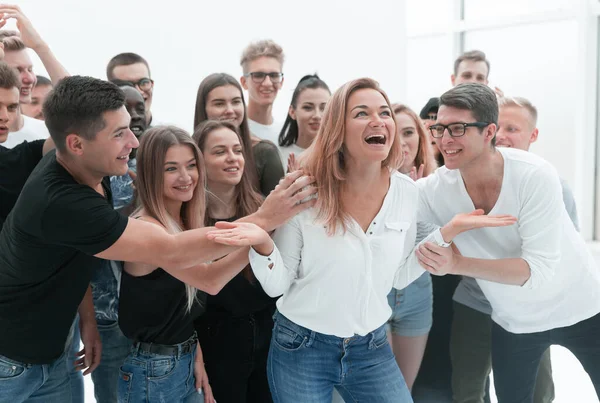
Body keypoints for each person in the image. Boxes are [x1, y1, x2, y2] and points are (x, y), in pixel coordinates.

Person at [0, 75, 316, 402]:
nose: (133, 142)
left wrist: (88, 321)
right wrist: (267, 218)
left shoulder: (81, 163)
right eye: (119, 134)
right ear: (77, 145)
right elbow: (177, 252)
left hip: (59, 351)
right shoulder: (65, 202)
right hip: (10, 360)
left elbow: (75, 257)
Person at [207, 78, 515, 403]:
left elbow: (398, 276)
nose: (378, 120)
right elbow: (277, 285)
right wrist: (263, 244)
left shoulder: (406, 193)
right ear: (338, 129)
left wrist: (446, 233)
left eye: (384, 112)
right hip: (302, 346)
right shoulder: (305, 192)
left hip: (371, 346)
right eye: (362, 113)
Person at [416, 83, 600, 403]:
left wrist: (458, 263)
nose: (445, 139)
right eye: (439, 128)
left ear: (489, 132)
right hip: (515, 322)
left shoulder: (535, 174)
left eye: (458, 128)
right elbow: (388, 205)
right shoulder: (434, 189)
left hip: (582, 309)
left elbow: (536, 270)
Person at [449, 95, 571, 403]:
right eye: (497, 126)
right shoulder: (459, 181)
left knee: (534, 394)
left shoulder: (553, 186)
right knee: (468, 390)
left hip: (529, 311)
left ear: (533, 136)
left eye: (513, 128)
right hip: (475, 306)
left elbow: (562, 258)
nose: (501, 134)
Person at [118, 126, 220, 403]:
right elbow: (211, 280)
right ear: (151, 175)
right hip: (153, 371)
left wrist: (196, 356)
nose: (186, 177)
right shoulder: (146, 229)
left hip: (183, 362)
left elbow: (180, 314)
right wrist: (264, 226)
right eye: (171, 169)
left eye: (191, 166)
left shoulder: (186, 222)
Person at [193, 120, 275, 403]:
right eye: (219, 151)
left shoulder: (265, 208)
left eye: (238, 150)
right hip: (216, 343)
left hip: (269, 340)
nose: (233, 158)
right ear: (199, 161)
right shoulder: (187, 221)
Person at [386, 103, 437, 392]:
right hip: (377, 294)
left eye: (409, 132)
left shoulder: (435, 182)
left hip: (417, 295)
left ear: (420, 137)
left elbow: (433, 251)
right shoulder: (367, 181)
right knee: (379, 390)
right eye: (396, 133)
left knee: (402, 391)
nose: (402, 142)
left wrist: (416, 200)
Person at [194, 73, 284, 195]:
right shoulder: (189, 153)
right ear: (203, 108)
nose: (230, 110)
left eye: (236, 102)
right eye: (219, 104)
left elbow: (279, 208)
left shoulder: (264, 152)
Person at [0, 5, 68, 148]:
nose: (30, 79)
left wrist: (39, 46)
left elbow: (76, 96)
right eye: (17, 71)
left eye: (30, 69)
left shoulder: (46, 132)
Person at [278, 74, 330, 171]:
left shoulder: (341, 157)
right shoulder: (278, 155)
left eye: (324, 108)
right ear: (292, 112)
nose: (317, 115)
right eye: (308, 107)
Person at [240, 39, 285, 144]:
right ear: (244, 82)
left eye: (274, 75)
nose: (267, 83)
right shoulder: (234, 132)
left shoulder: (286, 136)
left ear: (281, 82)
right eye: (258, 75)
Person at [106, 52, 155, 126]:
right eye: (128, 85)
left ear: (152, 84)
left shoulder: (173, 135)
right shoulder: (99, 135)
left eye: (144, 82)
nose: (138, 92)